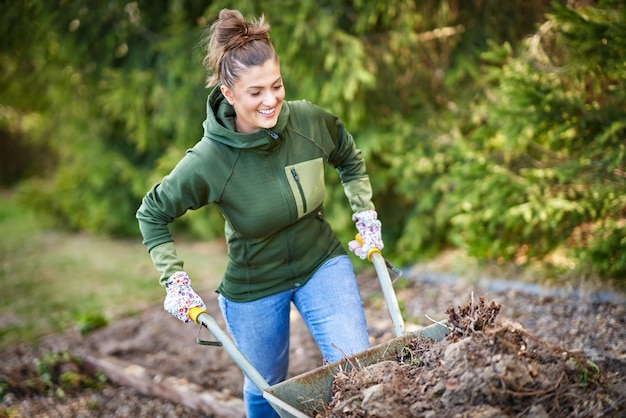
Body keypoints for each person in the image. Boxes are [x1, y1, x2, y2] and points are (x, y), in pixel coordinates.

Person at [136, 8, 384, 417]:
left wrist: (365, 214)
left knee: (357, 367)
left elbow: (349, 157)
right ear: (229, 94)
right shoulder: (210, 160)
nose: (271, 100)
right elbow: (152, 213)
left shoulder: (307, 121)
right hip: (256, 284)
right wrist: (173, 277)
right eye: (255, 93)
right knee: (267, 386)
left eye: (277, 85)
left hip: (321, 261)